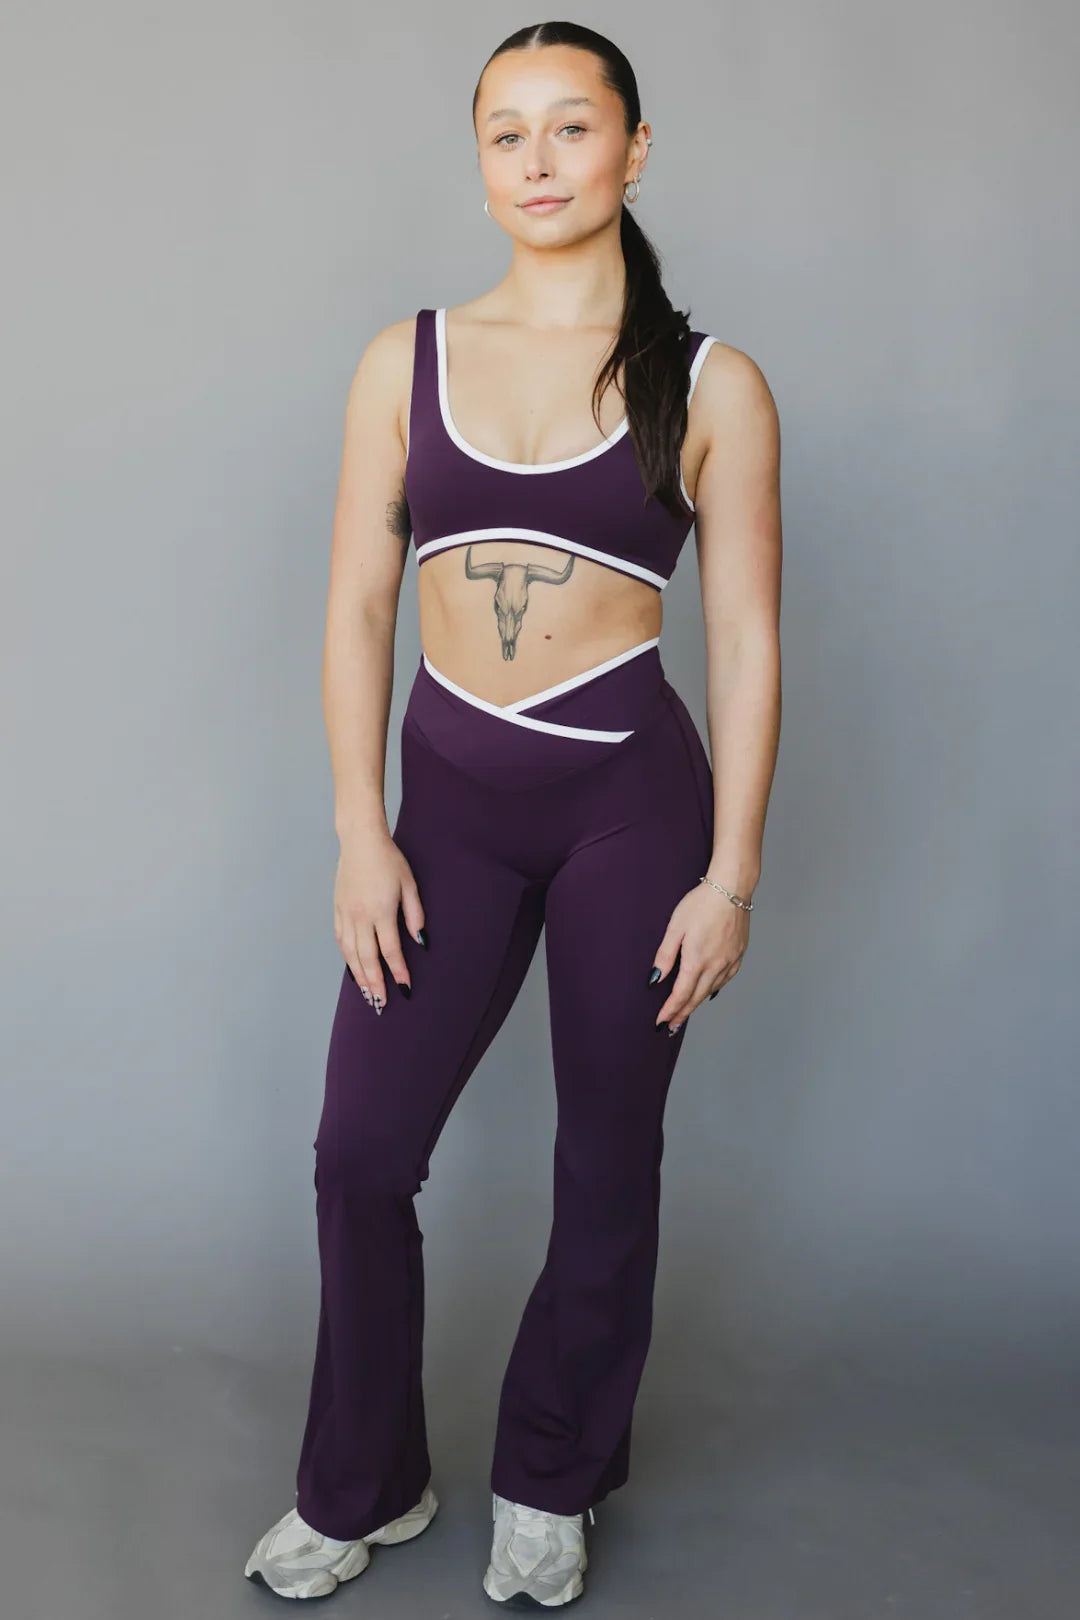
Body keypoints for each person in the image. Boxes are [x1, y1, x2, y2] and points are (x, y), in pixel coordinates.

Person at [244, 18, 782, 1607]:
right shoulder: (402, 361)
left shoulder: (714, 384)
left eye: (572, 127)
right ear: (479, 165)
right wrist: (361, 829)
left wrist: (732, 875)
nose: (538, 162)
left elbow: (749, 642)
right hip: (451, 809)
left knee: (608, 1158)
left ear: (634, 149)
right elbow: (358, 606)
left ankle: (552, 1473)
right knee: (360, 1153)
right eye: (507, 133)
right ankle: (365, 1482)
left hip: (633, 808)